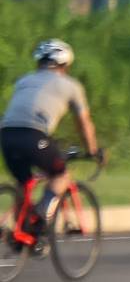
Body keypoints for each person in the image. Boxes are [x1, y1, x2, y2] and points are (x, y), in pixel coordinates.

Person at [2, 37, 97, 250]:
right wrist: (92, 149)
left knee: (23, 182)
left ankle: (22, 234)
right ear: (65, 64)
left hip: (6, 134)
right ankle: (41, 216)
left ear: (40, 62)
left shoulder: (24, 80)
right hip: (34, 135)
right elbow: (84, 122)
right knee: (60, 175)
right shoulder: (71, 85)